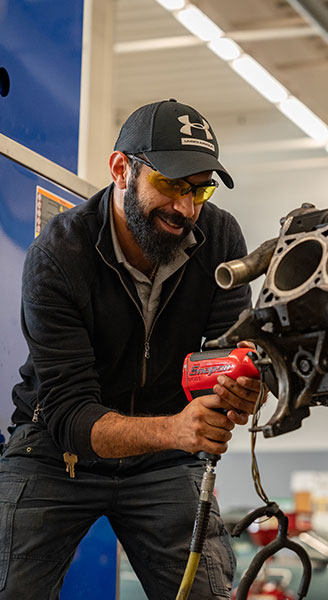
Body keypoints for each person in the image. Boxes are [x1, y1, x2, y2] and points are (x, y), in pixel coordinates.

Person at [0, 99, 260, 598]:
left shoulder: (221, 237)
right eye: (169, 185)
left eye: (199, 188)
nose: (185, 208)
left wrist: (242, 388)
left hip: (166, 457)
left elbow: (228, 354)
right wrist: (177, 428)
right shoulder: (58, 255)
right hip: (57, 454)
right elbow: (72, 414)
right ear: (122, 169)